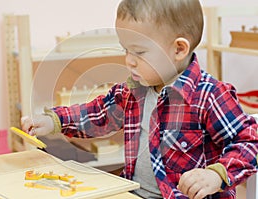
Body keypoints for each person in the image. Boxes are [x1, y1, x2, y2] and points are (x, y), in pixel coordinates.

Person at [21, 0, 258, 198]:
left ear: (178, 50)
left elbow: (251, 143)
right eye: (126, 50)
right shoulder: (135, 90)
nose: (129, 61)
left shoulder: (210, 96)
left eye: (139, 52)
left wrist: (216, 174)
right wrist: (54, 121)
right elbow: (99, 113)